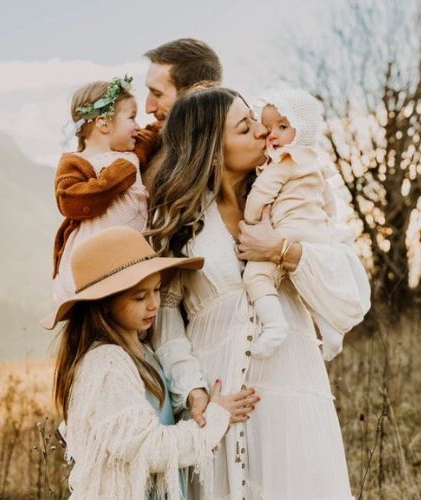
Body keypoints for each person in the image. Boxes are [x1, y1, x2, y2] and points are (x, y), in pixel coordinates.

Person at [147, 87, 371, 499]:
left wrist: (283, 251)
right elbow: (165, 317)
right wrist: (193, 390)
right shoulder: (179, 216)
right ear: (212, 147)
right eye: (245, 127)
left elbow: (352, 292)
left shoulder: (296, 192)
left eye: (259, 122)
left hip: (292, 386)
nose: (263, 133)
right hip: (220, 397)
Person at [42, 226, 260, 499]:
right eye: (139, 297)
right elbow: (149, 447)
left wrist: (198, 406)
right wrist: (214, 421)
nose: (154, 304)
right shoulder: (106, 364)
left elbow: (158, 424)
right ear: (104, 303)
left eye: (156, 290)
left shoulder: (144, 353)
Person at [244, 88, 352, 360]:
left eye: (282, 126)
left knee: (256, 276)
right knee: (308, 284)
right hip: (315, 231)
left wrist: (251, 218)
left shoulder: (285, 161)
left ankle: (273, 325)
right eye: (268, 127)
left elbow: (261, 193)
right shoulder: (315, 163)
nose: (272, 134)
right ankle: (331, 331)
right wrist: (330, 228)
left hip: (288, 229)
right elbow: (328, 201)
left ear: (301, 129)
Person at [51, 76, 159, 304]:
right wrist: (117, 174)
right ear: (103, 123)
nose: (138, 126)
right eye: (131, 117)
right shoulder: (77, 162)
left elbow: (152, 134)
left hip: (128, 258)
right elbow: (70, 200)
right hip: (95, 260)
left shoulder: (131, 153)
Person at [141, 38, 223, 184]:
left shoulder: (226, 161)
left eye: (158, 94)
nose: (149, 108)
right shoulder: (147, 146)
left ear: (195, 94)